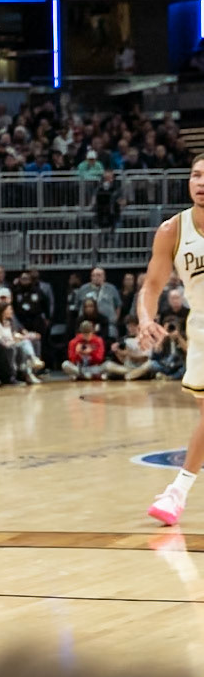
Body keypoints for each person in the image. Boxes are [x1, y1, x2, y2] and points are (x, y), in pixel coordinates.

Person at [133, 155, 204, 526]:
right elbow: (152, 286)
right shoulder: (173, 230)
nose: (201, 182)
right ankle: (178, 492)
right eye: (196, 175)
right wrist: (146, 319)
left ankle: (178, 490)